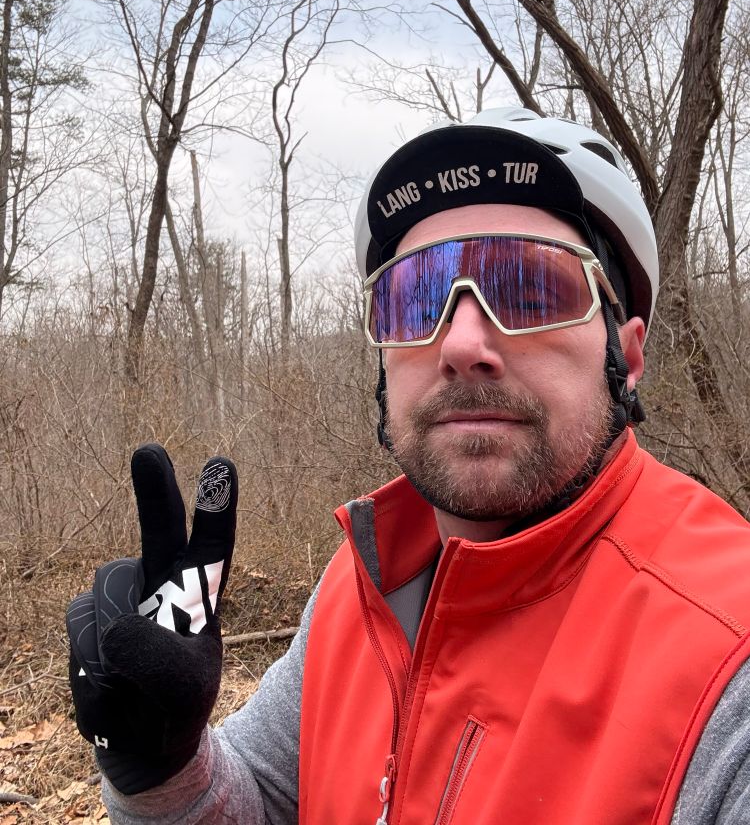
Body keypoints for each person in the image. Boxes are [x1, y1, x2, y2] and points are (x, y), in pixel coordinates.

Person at [67, 108, 750, 825]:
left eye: (531, 291)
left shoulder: (726, 655)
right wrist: (166, 768)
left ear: (627, 357)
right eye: (417, 299)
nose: (460, 344)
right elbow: (264, 799)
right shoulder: (360, 586)